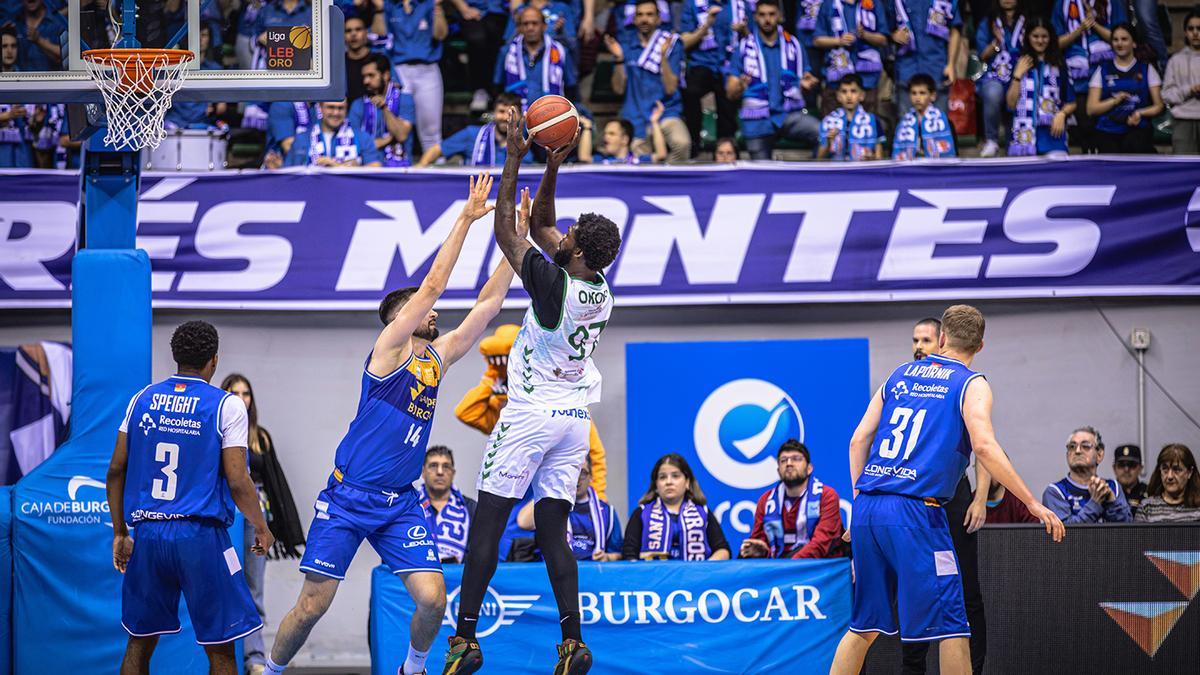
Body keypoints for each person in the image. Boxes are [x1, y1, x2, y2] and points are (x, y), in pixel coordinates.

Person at [264, 173, 515, 675]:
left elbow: (486, 306)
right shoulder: (388, 352)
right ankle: (270, 671)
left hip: (399, 502)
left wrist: (514, 245)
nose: (435, 310)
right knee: (313, 606)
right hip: (347, 497)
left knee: (433, 599)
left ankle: (413, 668)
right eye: (421, 308)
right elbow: (433, 284)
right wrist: (466, 217)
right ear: (398, 317)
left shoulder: (435, 360)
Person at [444, 112, 621, 675]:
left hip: (531, 417)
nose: (560, 233)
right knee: (553, 533)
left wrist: (515, 156)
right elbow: (544, 222)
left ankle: (466, 639)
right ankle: (572, 641)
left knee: (489, 525)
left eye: (569, 237)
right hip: (573, 420)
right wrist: (552, 163)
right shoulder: (598, 286)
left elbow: (508, 232)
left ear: (576, 253)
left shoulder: (552, 287)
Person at [829, 305, 1064, 675]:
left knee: (863, 627)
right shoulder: (972, 384)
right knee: (953, 626)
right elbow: (984, 447)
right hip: (916, 513)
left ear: (940, 339)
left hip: (870, 506)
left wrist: (859, 504)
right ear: (980, 346)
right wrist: (1032, 502)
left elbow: (858, 440)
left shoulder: (899, 374)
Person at [105, 321, 273, 675]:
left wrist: (121, 531)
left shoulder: (141, 399)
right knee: (222, 650)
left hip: (149, 535)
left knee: (139, 642)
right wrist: (260, 525)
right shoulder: (226, 405)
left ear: (175, 358)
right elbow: (239, 479)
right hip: (200, 537)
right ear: (214, 360)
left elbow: (116, 469)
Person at [453, 323, 609, 499]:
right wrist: (491, 377)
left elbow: (594, 451)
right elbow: (464, 412)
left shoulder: (558, 396)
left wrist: (598, 495)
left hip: (550, 479)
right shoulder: (500, 404)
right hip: (516, 483)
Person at [219, 373, 304, 675]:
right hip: (222, 518)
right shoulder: (214, 432)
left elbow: (276, 485)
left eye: (246, 393)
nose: (242, 399)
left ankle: (254, 657)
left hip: (255, 518)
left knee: (253, 588)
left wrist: (278, 529)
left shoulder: (259, 437)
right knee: (222, 584)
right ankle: (221, 656)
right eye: (235, 392)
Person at [726, 0, 820, 159]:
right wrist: (740, 86)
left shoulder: (794, 45)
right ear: (755, 17)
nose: (767, 19)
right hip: (757, 120)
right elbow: (730, 94)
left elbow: (805, 78)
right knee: (761, 175)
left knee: (823, 132)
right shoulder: (743, 49)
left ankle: (814, 180)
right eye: (762, 15)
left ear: (780, 16)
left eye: (771, 14)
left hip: (788, 115)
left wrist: (805, 86)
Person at [605, 0, 692, 163]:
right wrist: (618, 59)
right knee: (638, 156)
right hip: (635, 116)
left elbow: (671, 88)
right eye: (640, 15)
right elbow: (618, 89)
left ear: (659, 18)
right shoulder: (625, 46)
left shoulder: (671, 44)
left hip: (667, 112)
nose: (645, 19)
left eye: (650, 14)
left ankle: (669, 182)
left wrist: (663, 58)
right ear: (634, 19)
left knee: (682, 143)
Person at [740, 440, 844, 559]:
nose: (789, 463)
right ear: (778, 470)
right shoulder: (766, 500)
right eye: (783, 460)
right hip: (778, 568)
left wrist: (788, 567)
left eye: (796, 459)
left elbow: (822, 543)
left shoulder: (826, 496)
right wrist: (761, 551)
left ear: (809, 468)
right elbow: (759, 541)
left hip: (817, 569)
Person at [622, 453, 732, 561]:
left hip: (696, 577)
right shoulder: (641, 514)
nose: (669, 482)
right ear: (656, 485)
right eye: (662, 477)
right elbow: (628, 555)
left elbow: (723, 550)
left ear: (687, 482)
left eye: (675, 476)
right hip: (653, 578)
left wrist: (703, 570)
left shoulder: (704, 513)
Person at [1054, 0, 1126, 153]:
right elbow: (1054, 43)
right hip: (1078, 77)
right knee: (1085, 127)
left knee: (1107, 132)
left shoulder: (1113, 2)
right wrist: (1079, 30)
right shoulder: (1062, 3)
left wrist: (1095, 25)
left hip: (1108, 75)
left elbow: (1123, 39)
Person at [516, 460, 623, 561]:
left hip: (593, 572)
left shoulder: (606, 511)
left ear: (591, 477)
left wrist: (606, 557)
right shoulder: (550, 505)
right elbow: (523, 522)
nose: (577, 478)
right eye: (572, 472)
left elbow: (619, 553)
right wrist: (549, 486)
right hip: (554, 573)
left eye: (583, 472)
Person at [1086, 22, 1163, 154]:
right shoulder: (1102, 70)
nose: (1119, 43)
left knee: (1135, 143)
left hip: (1137, 130)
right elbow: (1091, 109)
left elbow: (1159, 106)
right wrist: (1114, 101)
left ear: (1134, 43)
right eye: (1115, 40)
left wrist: (1140, 113)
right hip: (1107, 131)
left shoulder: (1147, 69)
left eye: (1124, 39)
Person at [384, 0, 449, 155]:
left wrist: (438, 8)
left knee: (431, 128)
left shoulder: (428, 4)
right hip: (399, 71)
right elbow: (380, 34)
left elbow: (441, 34)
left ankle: (434, 166)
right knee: (399, 123)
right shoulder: (390, 5)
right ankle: (399, 162)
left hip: (427, 69)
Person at [1006, 17, 1076, 157]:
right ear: (1028, 37)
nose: (1040, 41)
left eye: (1044, 36)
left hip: (1052, 135)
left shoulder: (1059, 64)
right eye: (1035, 36)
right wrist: (1018, 75)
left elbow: (1071, 102)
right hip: (1023, 136)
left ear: (1051, 38)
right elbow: (1011, 103)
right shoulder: (1018, 62)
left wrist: (1062, 114)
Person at [679, 0, 738, 157]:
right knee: (690, 91)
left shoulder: (739, 4)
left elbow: (751, 39)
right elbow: (683, 42)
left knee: (728, 96)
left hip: (730, 64)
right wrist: (705, 27)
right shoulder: (692, 4)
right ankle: (693, 144)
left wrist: (743, 31)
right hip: (702, 63)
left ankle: (725, 151)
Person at [812, 0, 890, 115]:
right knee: (832, 126)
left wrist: (865, 35)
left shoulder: (874, 3)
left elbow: (884, 40)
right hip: (836, 80)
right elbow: (817, 40)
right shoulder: (828, 4)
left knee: (867, 125)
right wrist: (839, 41)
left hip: (867, 80)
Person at [889, 0, 963, 120]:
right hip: (907, 68)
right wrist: (894, 35)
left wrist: (951, 64)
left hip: (936, 67)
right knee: (906, 124)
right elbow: (885, 28)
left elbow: (955, 30)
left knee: (939, 123)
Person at [1042, 426, 1133, 523]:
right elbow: (1066, 534)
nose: (1077, 451)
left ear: (1099, 455)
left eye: (1085, 446)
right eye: (1072, 446)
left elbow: (1128, 531)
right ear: (1067, 454)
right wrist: (1095, 503)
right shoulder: (1055, 491)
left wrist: (1111, 501)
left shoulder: (1113, 487)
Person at [416, 93, 533, 166]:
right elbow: (436, 150)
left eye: (511, 113)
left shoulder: (525, 143)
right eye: (501, 112)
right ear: (494, 113)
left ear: (520, 116)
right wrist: (419, 168)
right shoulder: (472, 134)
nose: (505, 118)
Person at [494, 7, 577, 109]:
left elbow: (571, 87)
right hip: (516, 116)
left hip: (551, 116)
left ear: (544, 26)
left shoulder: (561, 51)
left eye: (535, 23)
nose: (530, 28)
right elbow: (498, 86)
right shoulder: (506, 52)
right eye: (525, 24)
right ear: (519, 27)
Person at [974, 0, 1025, 157]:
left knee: (1022, 94)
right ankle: (991, 140)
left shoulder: (1027, 20)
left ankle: (1017, 140)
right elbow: (982, 55)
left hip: (1023, 73)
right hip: (995, 74)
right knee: (992, 93)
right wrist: (996, 43)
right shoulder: (989, 21)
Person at [349, 53, 417, 166]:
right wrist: (388, 140)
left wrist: (385, 108)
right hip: (368, 166)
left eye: (371, 75)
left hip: (400, 167)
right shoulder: (358, 104)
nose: (366, 81)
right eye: (364, 76)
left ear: (385, 75)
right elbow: (355, 143)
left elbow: (401, 135)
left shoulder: (405, 100)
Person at [419, 446, 478, 564]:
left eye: (446, 467)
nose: (440, 472)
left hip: (459, 579)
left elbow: (478, 551)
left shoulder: (471, 508)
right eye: (433, 466)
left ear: (453, 473)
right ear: (423, 471)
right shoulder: (409, 507)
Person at [285, 99, 383, 167]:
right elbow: (290, 171)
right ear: (320, 108)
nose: (336, 113)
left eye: (341, 108)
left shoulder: (362, 137)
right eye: (331, 107)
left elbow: (376, 168)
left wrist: (337, 166)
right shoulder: (303, 138)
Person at [451, 0, 510, 111]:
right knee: (477, 39)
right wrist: (464, 8)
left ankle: (498, 91)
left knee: (503, 43)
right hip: (470, 10)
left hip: (498, 12)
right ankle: (480, 89)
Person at [818, 73, 883, 160]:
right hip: (837, 172)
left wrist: (871, 158)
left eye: (853, 91)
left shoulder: (873, 121)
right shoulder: (828, 121)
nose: (849, 96)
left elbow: (879, 157)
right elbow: (819, 159)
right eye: (844, 92)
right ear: (838, 96)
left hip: (862, 171)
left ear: (862, 95)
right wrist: (829, 143)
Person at [893, 73, 957, 159]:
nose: (917, 98)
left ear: (932, 96)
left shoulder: (944, 121)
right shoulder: (903, 123)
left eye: (922, 93)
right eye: (914, 93)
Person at [1163, 9, 1200, 156]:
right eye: (1191, 29)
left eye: (1199, 28)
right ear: (1185, 32)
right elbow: (1166, 95)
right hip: (1183, 120)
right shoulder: (1175, 61)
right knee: (1184, 169)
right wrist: (1189, 90)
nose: (1195, 33)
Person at [1135, 443, 1200, 523]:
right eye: (1165, 469)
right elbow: (1139, 535)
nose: (1169, 476)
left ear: (1189, 472)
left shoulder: (1198, 507)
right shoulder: (1147, 507)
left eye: (1177, 470)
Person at [577, 106, 666, 163]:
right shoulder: (602, 160)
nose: (605, 137)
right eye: (605, 134)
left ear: (624, 140)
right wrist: (587, 128)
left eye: (612, 134)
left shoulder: (638, 161)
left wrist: (654, 122)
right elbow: (584, 157)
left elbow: (661, 155)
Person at [15, 0, 67, 71]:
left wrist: (39, 41)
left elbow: (68, 55)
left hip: (50, 79)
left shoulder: (58, 22)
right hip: (18, 80)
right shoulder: (14, 21)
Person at [345, 14, 375, 102]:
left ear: (366, 33)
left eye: (358, 29)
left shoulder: (379, 59)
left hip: (375, 110)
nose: (353, 34)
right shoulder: (338, 63)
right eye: (348, 31)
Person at [1111, 443, 1147, 513]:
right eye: (1121, 465)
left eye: (1131, 465)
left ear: (1140, 468)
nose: (1126, 469)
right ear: (1114, 468)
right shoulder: (1107, 493)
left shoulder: (1149, 494)